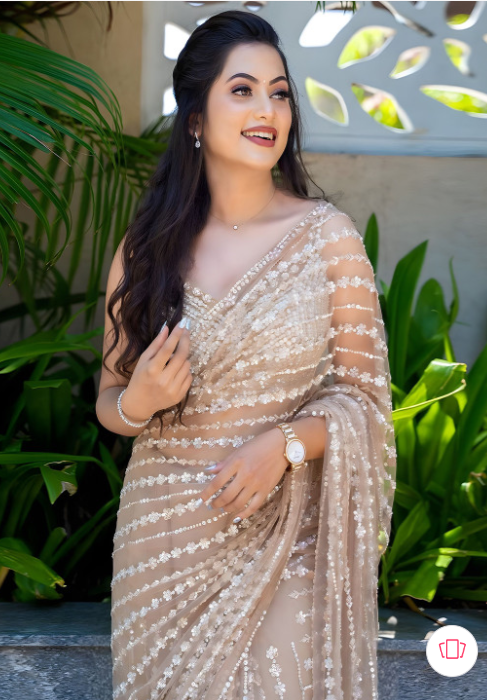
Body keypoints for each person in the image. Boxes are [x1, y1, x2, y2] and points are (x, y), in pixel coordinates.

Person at [96, 10, 396, 700]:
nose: (267, 110)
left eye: (279, 92)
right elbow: (109, 400)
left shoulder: (327, 238)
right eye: (242, 90)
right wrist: (138, 403)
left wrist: (283, 445)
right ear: (195, 120)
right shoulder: (146, 249)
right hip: (165, 539)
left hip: (287, 534)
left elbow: (364, 400)